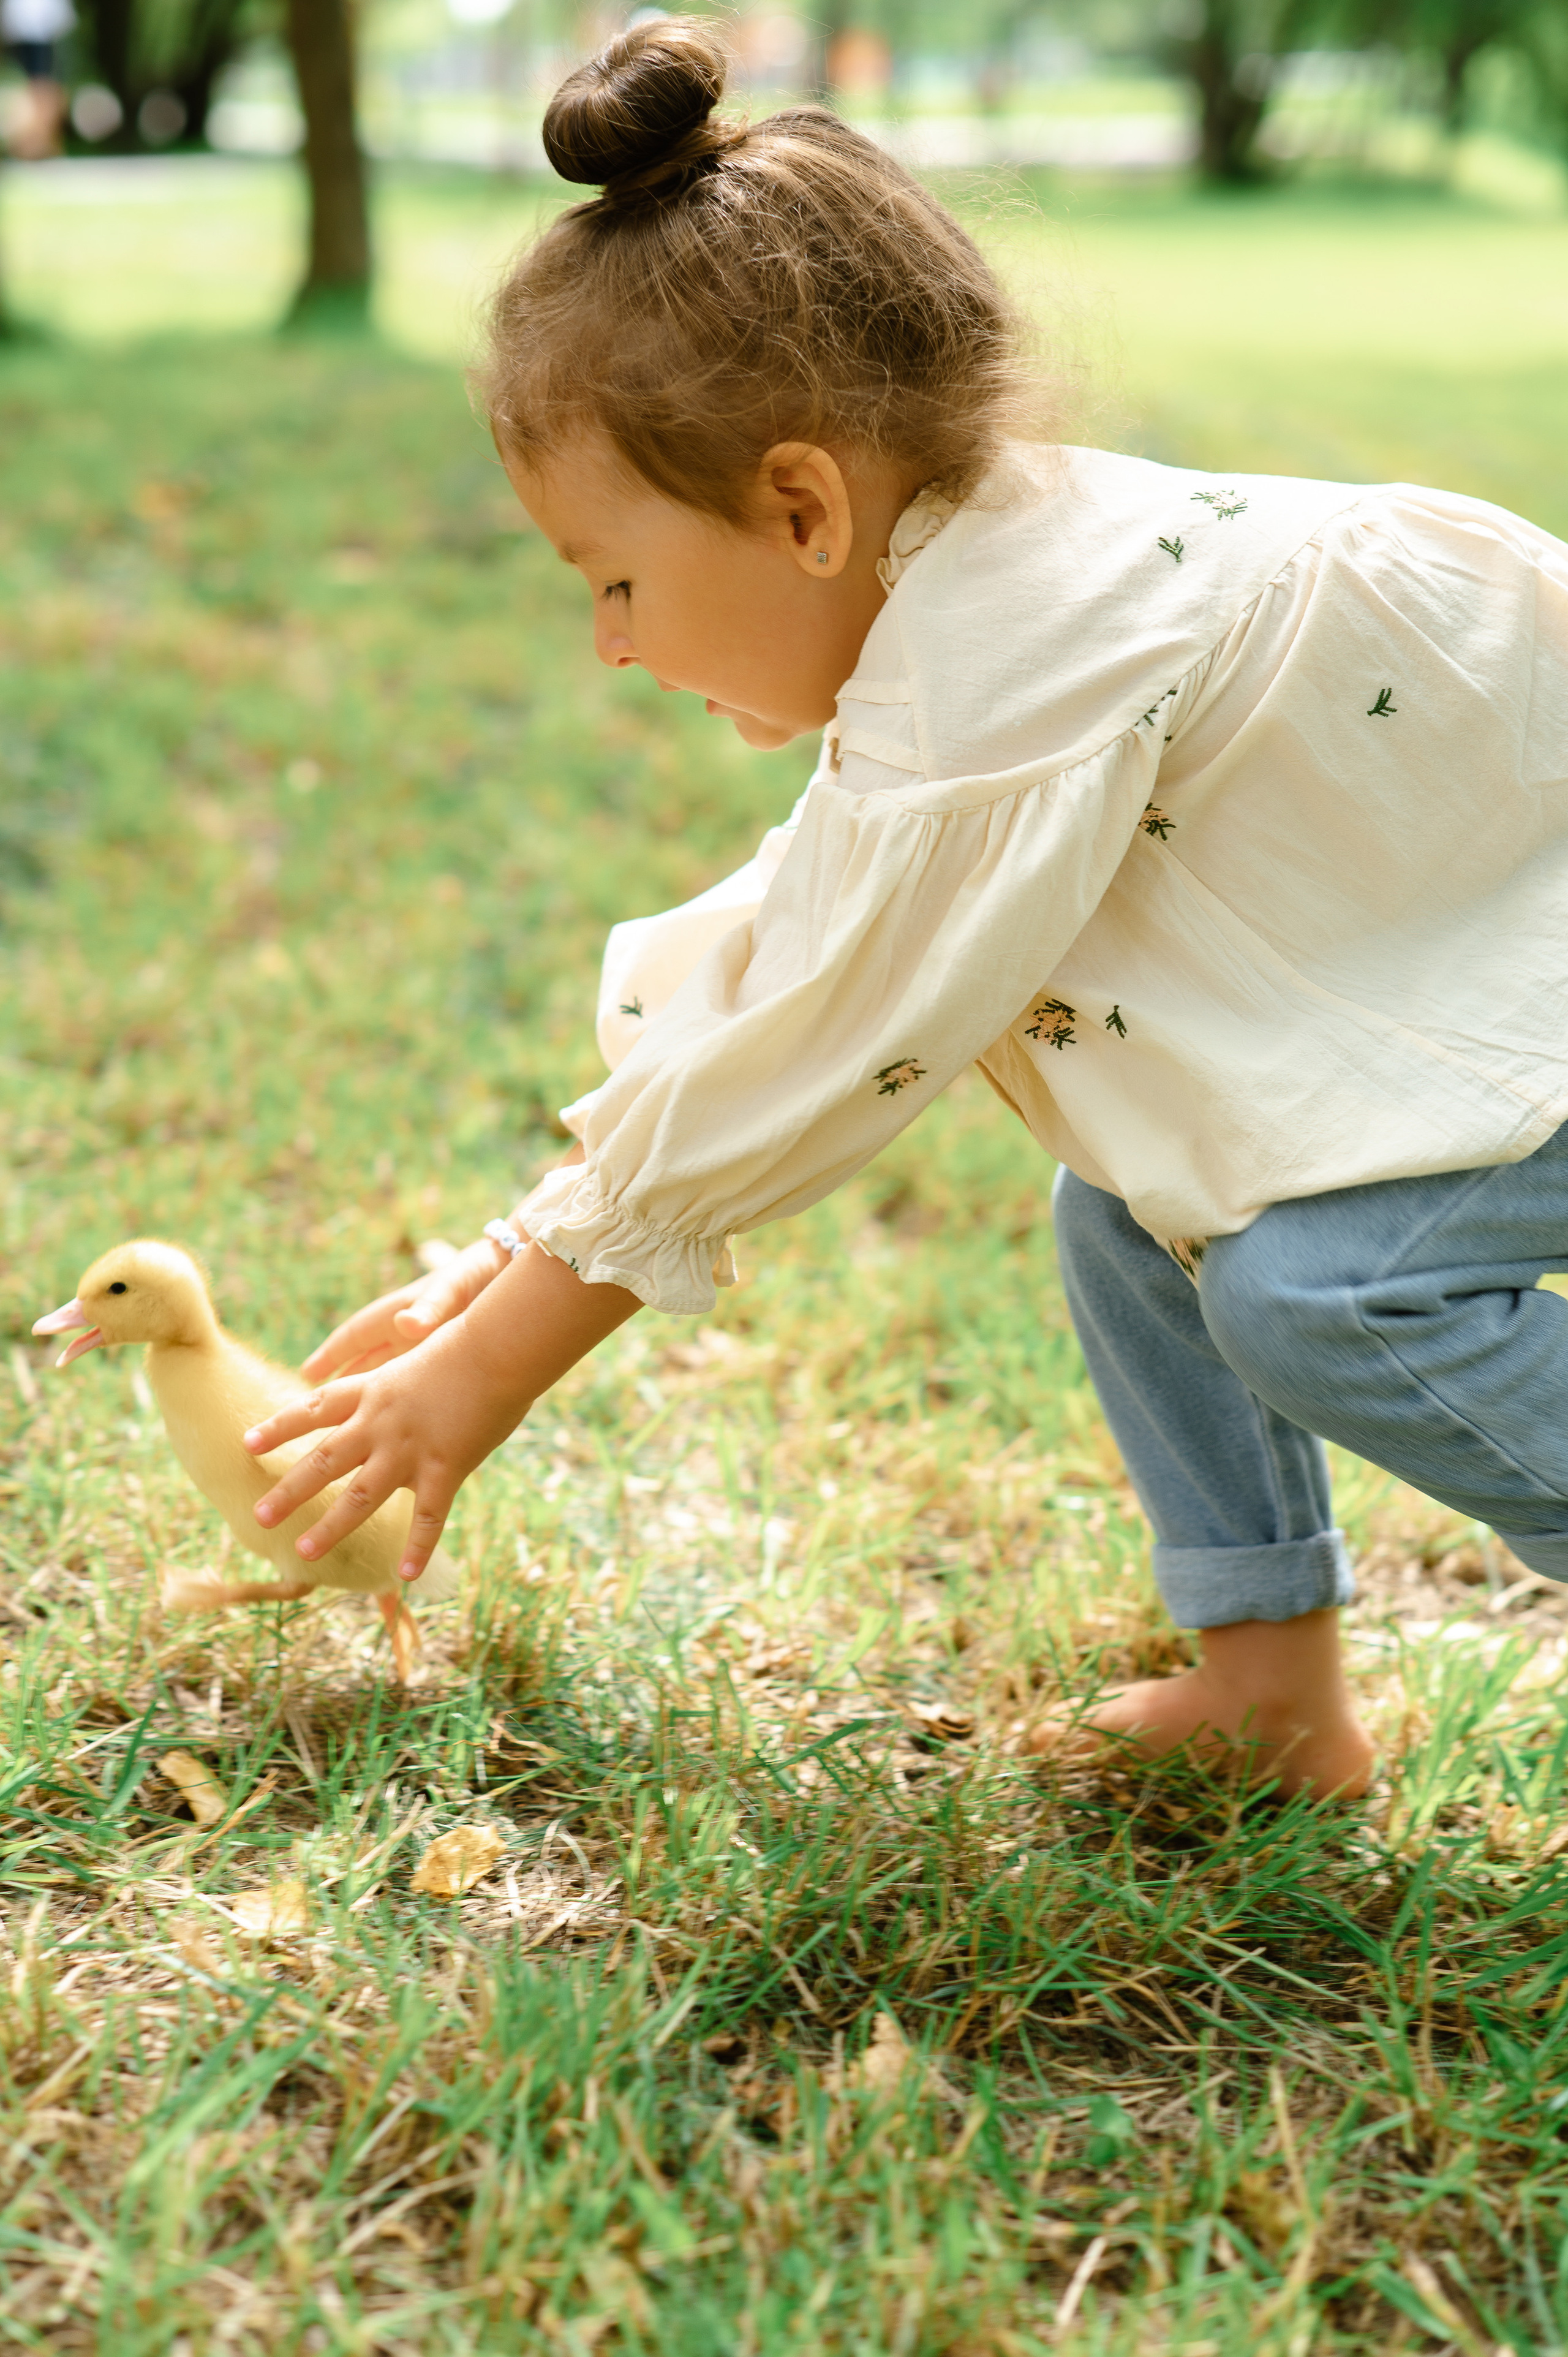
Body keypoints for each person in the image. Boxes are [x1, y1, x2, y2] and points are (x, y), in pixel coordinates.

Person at [244, 18, 1568, 1800]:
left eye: (618, 578)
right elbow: (798, 939)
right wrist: (512, 1248)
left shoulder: (1010, 657)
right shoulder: (976, 605)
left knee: (1314, 1287)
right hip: (1489, 959)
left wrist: (491, 1365)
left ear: (799, 505)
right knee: (1143, 1211)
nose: (610, 644)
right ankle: (1275, 1692)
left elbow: (836, 1040)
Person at [2, 0, 74, 160]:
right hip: (33, 24)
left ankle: (39, 142)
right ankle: (35, 142)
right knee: (39, 86)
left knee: (39, 85)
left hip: (33, 24)